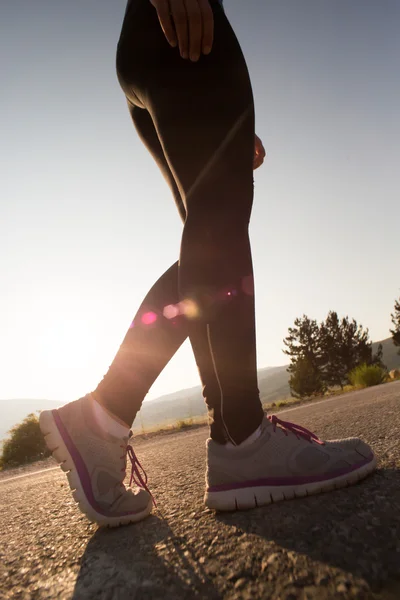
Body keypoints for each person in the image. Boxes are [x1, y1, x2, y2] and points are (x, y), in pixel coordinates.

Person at [40, 0, 376, 527]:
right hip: (184, 32)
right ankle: (136, 420)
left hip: (158, 41)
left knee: (212, 235)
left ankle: (230, 430)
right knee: (218, 228)